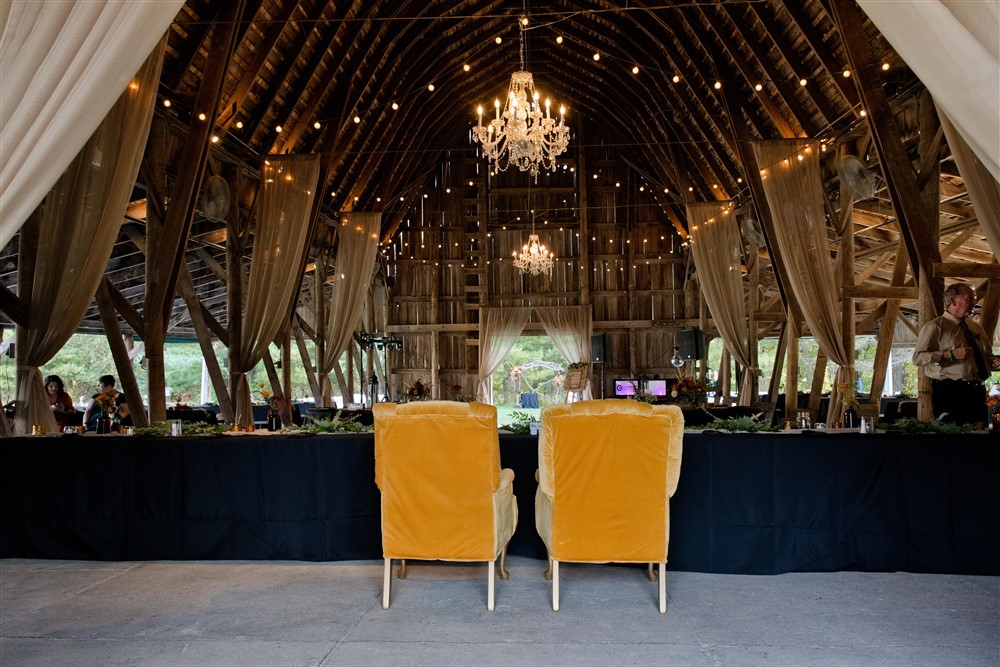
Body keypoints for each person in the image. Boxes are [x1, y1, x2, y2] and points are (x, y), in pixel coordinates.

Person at [912, 283, 1000, 425]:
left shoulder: (975, 327)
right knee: (953, 434)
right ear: (953, 301)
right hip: (950, 392)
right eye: (970, 298)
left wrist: (993, 361)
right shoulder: (935, 327)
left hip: (977, 390)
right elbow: (917, 358)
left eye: (974, 299)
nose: (974, 302)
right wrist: (950, 355)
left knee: (979, 433)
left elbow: (987, 356)